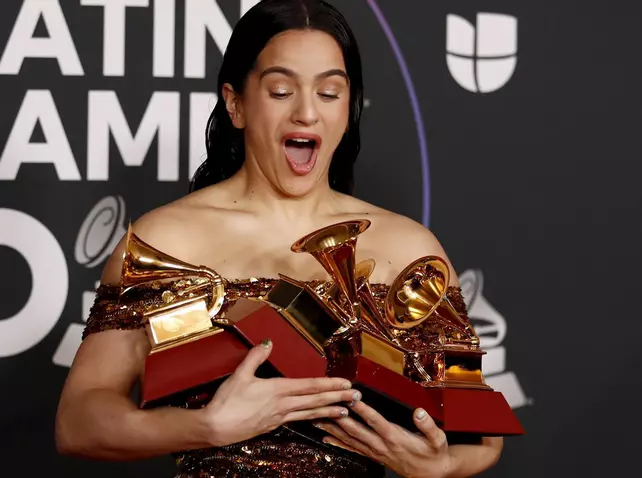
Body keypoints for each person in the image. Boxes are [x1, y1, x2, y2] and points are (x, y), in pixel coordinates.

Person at [55, 0, 504, 476]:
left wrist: (439, 465)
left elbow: (481, 431)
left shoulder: (410, 249)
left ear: (348, 108)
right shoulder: (163, 242)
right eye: (281, 90)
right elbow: (78, 421)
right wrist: (206, 426)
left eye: (329, 93)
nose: (306, 112)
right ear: (235, 103)